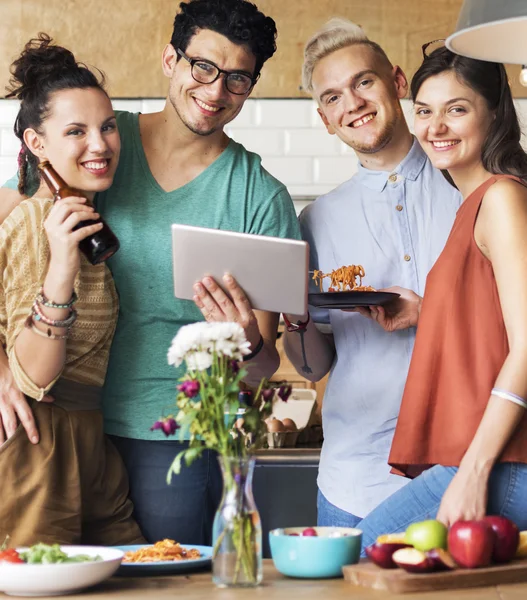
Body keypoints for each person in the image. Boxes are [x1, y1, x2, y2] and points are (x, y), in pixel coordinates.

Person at [0, 0, 300, 545]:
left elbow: (262, 368)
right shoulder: (97, 145)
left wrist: (248, 340)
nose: (214, 91)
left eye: (237, 79)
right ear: (171, 60)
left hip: (172, 438)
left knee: (163, 581)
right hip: (55, 422)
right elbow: (11, 231)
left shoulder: (260, 197)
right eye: (203, 67)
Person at [282, 19, 461, 527]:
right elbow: (313, 366)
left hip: (467, 470)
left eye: (364, 82)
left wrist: (427, 313)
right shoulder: (316, 221)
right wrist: (294, 317)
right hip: (356, 482)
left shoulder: (471, 187)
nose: (353, 103)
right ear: (325, 119)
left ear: (398, 83)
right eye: (334, 97)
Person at [355, 44, 527, 547]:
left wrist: (473, 473)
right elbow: (498, 312)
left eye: (457, 109)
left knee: (359, 555)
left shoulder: (501, 198)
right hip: (493, 458)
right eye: (425, 111)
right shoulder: (474, 202)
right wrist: (426, 312)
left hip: (499, 463)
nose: (436, 128)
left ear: (495, 114)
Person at [0, 33, 144, 546]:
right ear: (37, 144)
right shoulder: (38, 222)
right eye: (76, 131)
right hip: (38, 441)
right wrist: (61, 265)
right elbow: (34, 375)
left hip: (87, 439)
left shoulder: (77, 217)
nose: (100, 144)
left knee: (132, 577)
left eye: (107, 127)